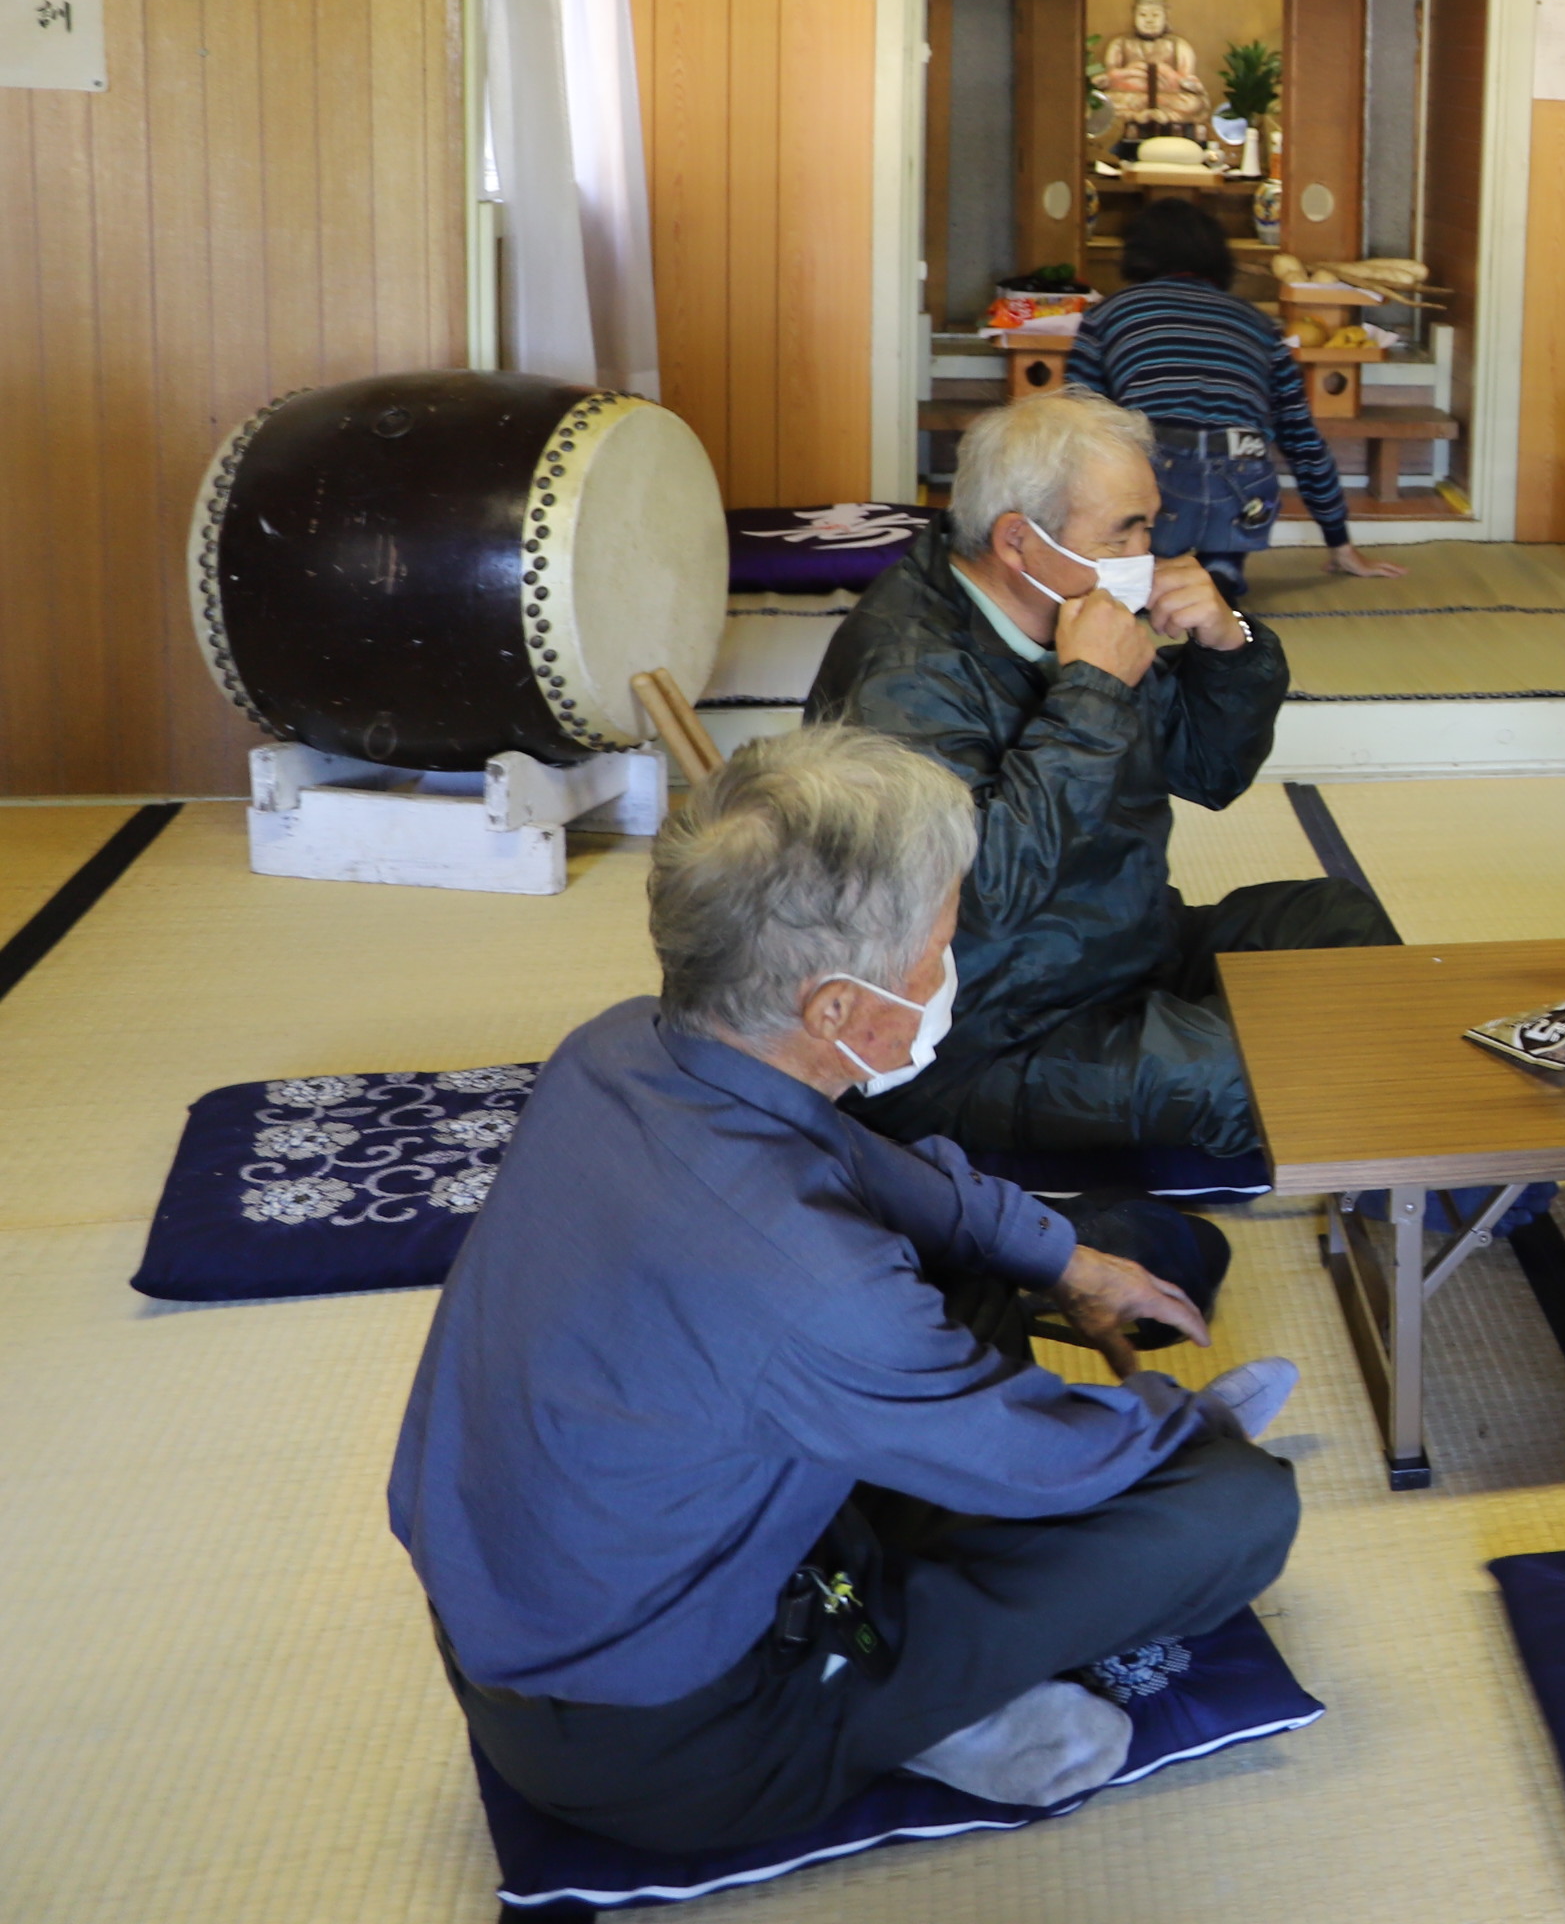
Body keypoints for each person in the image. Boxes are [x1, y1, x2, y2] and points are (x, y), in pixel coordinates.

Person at [389, 728, 1301, 1859]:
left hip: (562, 1593)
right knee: (1235, 1509)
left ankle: (888, 1573)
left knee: (999, 1258)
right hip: (668, 1744)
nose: (948, 962)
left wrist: (1070, 1260)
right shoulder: (809, 1277)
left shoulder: (619, 1044)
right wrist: (1186, 1423)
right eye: (939, 942)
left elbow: (889, 1176)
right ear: (832, 1008)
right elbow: (1051, 1458)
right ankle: (898, 1699)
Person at [807, 389, 1388, 1161]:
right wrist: (1094, 692)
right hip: (974, 1037)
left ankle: (1419, 1156)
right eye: (1127, 531)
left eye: (1150, 523)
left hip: (1106, 947)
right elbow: (979, 899)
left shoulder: (1070, 606)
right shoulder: (904, 676)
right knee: (1258, 1071)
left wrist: (1229, 644)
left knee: (1338, 924)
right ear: (1019, 541)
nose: (1151, 552)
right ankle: (1454, 1194)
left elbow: (1209, 769)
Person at [1065, 196, 1383, 597]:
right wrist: (1340, 541)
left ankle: (1150, 563)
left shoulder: (1108, 315)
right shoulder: (1259, 324)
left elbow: (1076, 419)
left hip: (1158, 481)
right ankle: (1222, 563)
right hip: (1245, 488)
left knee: (1121, 453)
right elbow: (1302, 439)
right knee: (1235, 474)